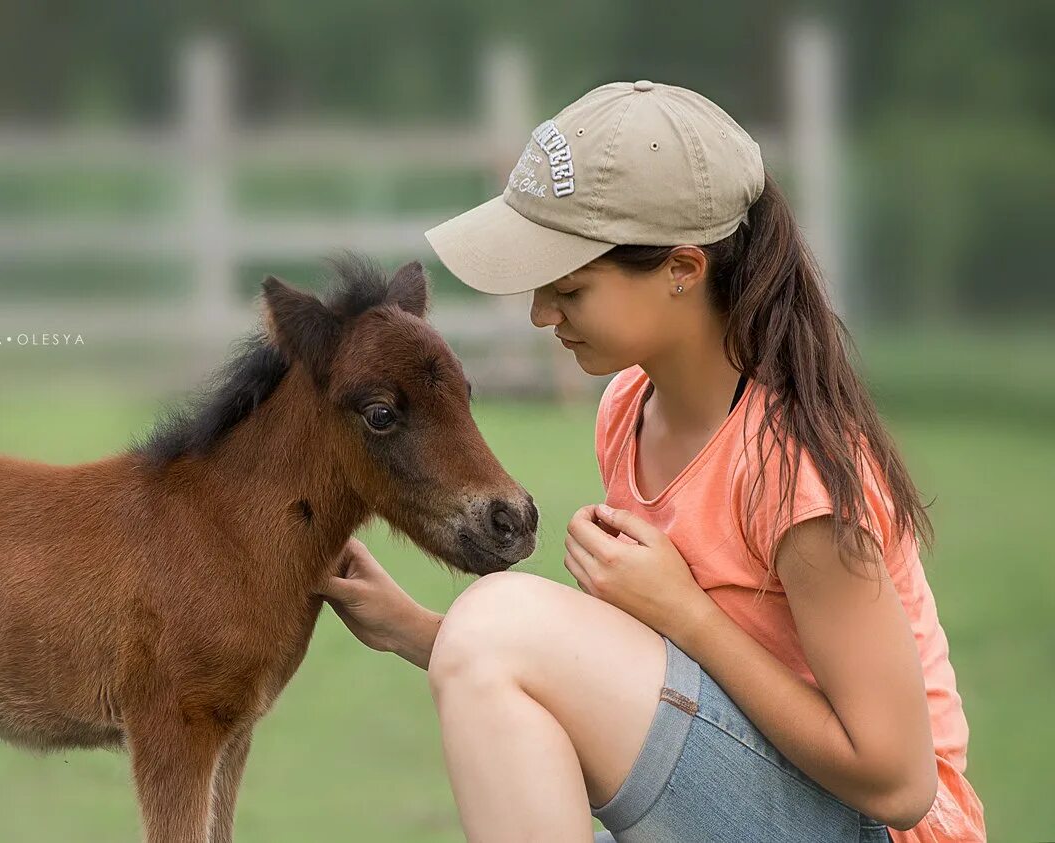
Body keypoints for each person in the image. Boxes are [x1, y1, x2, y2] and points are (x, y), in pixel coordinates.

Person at [317, 81, 986, 843]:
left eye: (570, 287)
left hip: (874, 827)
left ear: (682, 269)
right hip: (749, 799)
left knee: (499, 614)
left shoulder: (792, 467)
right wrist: (415, 630)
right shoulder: (627, 409)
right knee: (493, 634)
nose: (541, 313)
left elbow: (899, 781)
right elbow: (632, 698)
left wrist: (685, 614)